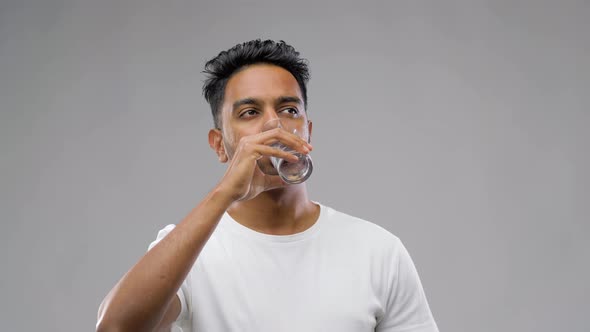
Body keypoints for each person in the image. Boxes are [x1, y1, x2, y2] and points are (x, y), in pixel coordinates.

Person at [96, 39, 439, 332]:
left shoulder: (378, 250)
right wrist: (226, 192)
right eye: (249, 113)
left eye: (289, 109)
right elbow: (116, 327)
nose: (275, 124)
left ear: (308, 132)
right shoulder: (191, 250)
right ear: (219, 145)